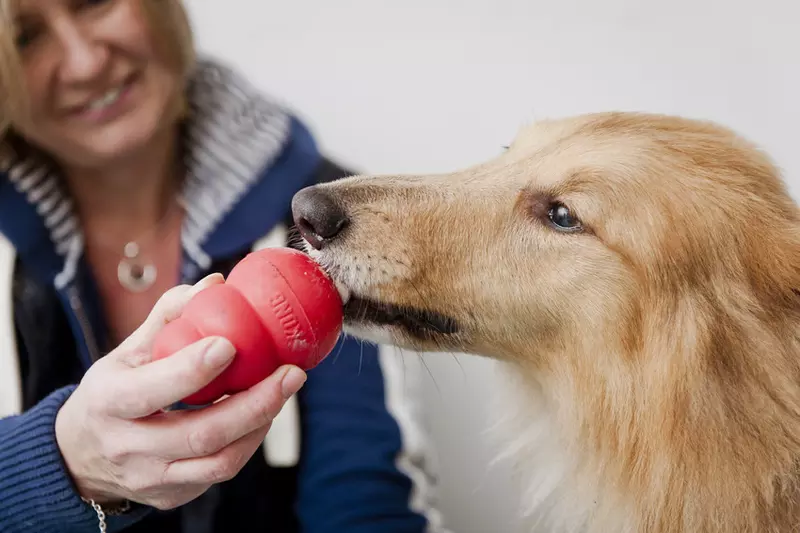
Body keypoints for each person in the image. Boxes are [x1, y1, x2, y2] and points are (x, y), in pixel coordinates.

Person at [0, 1, 448, 532]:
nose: (85, 62)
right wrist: (59, 465)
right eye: (25, 38)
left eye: (94, 1)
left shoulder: (324, 222)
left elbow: (364, 500)